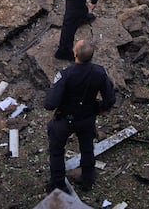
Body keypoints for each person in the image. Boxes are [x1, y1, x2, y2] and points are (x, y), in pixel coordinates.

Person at [44, 39, 116, 194]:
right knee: (87, 149)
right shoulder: (99, 72)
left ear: (75, 54)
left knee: (56, 152)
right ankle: (88, 180)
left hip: (65, 119)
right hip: (87, 118)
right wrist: (101, 109)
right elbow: (110, 99)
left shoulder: (66, 75)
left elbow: (50, 103)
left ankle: (58, 184)